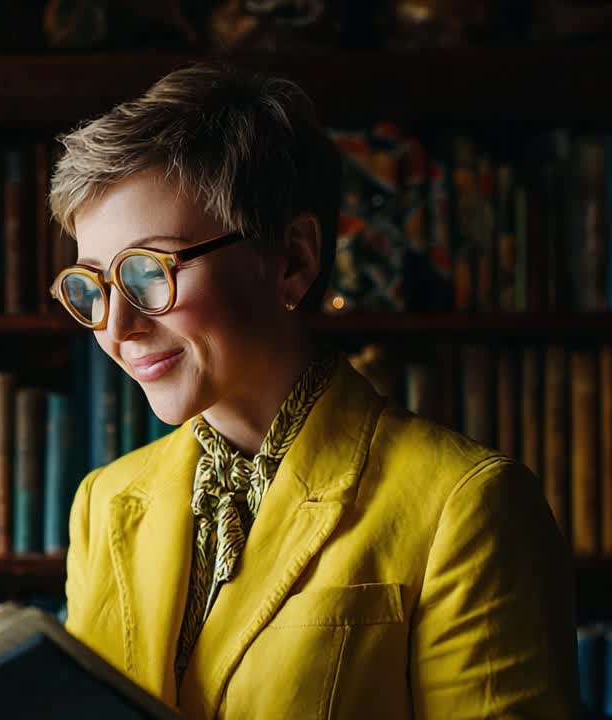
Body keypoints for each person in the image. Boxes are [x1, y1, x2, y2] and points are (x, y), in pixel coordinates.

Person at [50, 62, 577, 718]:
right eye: (90, 287)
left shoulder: (466, 507)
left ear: (293, 259)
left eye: (149, 272)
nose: (117, 325)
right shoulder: (103, 503)